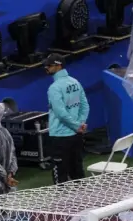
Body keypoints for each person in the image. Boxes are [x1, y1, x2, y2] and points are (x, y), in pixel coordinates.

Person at [44, 53, 89, 184]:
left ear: (58, 66)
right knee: (77, 171)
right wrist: (80, 124)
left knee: (60, 176)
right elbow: (85, 106)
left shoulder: (54, 88)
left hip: (60, 137)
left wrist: (76, 126)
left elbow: (61, 113)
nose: (46, 68)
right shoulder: (75, 82)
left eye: (49, 65)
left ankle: (63, 198)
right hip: (76, 135)